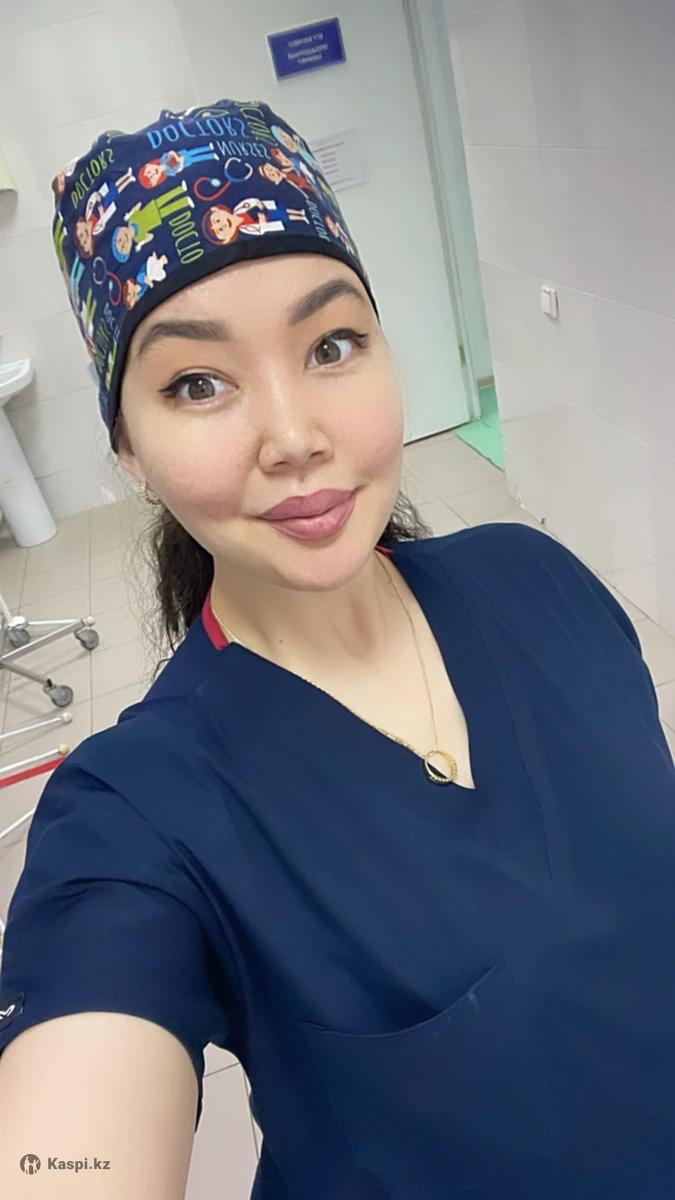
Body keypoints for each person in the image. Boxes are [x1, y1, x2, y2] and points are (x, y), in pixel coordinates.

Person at [0, 97, 673, 1200]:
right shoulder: (137, 813)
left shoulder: (539, 578)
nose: (294, 435)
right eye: (197, 382)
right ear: (128, 449)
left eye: (331, 345)